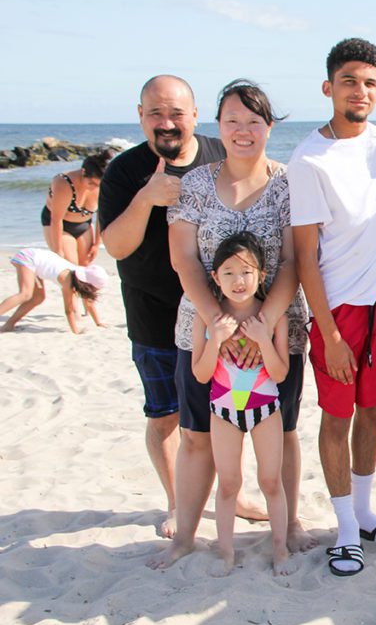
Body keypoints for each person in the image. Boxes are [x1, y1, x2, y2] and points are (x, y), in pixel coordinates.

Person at [151, 79, 315, 570]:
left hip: (276, 331)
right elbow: (184, 261)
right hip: (203, 330)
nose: (243, 131)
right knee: (196, 434)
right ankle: (185, 536)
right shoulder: (197, 184)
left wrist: (262, 325)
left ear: (269, 126)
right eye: (232, 121)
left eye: (254, 121)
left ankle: (292, 524)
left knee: (282, 430)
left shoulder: (289, 182)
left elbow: (291, 262)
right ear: (217, 127)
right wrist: (220, 322)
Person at [290, 38, 376, 578]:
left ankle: (364, 512)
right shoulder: (307, 159)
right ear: (328, 88)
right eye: (348, 81)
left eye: (368, 83)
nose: (359, 91)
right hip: (337, 309)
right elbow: (303, 257)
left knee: (374, 409)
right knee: (336, 416)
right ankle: (344, 529)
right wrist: (330, 333)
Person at [99, 75, 229, 540]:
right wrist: (146, 198)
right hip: (153, 312)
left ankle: (229, 495)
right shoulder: (124, 171)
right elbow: (114, 244)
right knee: (165, 414)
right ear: (140, 116)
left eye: (176, 113)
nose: (167, 123)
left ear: (195, 115)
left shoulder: (221, 154)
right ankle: (178, 501)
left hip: (215, 314)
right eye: (155, 113)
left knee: (225, 412)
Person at [192, 232, 294, 577]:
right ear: (215, 277)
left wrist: (264, 340)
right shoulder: (208, 319)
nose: (239, 281)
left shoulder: (271, 318)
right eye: (229, 272)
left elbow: (279, 373)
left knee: (270, 481)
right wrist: (215, 339)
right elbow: (202, 375)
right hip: (223, 412)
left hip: (265, 410)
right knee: (229, 483)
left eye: (247, 272)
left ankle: (280, 547)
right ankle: (225, 552)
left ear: (261, 275)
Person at [0, 248, 107, 333]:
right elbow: (68, 310)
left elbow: (89, 303)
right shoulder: (68, 280)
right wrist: (75, 331)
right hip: (28, 257)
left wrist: (98, 323)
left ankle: (9, 325)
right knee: (25, 294)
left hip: (36, 262)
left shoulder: (77, 276)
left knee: (38, 298)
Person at [41, 151, 111, 267]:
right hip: (59, 224)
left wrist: (97, 244)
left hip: (83, 225)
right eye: (91, 183)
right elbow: (56, 219)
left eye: (98, 185)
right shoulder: (64, 183)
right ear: (83, 172)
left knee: (84, 267)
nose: (94, 188)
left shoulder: (103, 185)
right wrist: (58, 250)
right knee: (70, 268)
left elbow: (101, 216)